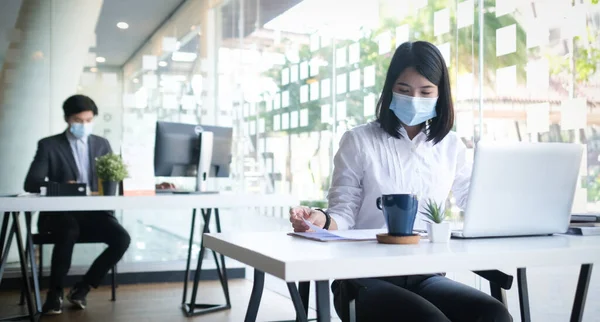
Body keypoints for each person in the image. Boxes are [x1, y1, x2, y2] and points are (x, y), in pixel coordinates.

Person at [289, 41, 512, 322]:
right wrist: (320, 219)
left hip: (426, 275)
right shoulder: (359, 141)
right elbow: (344, 212)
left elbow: (475, 202)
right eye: (404, 90)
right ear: (390, 90)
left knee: (493, 314)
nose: (414, 99)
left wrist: (515, 206)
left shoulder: (450, 146)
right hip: (363, 279)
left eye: (426, 91)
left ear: (440, 95)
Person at [24, 94, 131, 315]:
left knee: (122, 238)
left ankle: (82, 288)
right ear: (67, 119)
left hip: (92, 214)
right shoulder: (49, 145)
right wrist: (64, 187)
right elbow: (31, 183)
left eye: (88, 120)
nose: (84, 125)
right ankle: (54, 295)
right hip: (58, 216)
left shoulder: (102, 144)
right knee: (68, 229)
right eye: (79, 121)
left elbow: (112, 180)